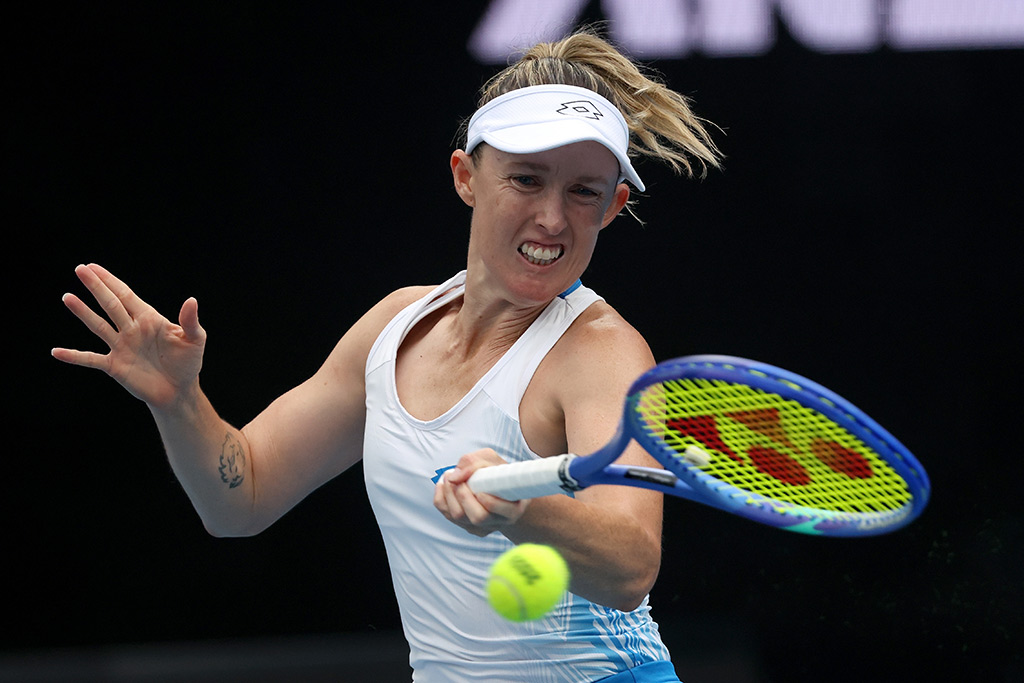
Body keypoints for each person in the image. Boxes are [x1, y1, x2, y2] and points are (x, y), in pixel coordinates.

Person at [53, 28, 721, 683]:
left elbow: (631, 569)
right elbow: (241, 499)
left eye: (583, 191)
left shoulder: (602, 351)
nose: (552, 217)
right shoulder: (393, 326)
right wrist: (180, 403)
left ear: (612, 206)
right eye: (526, 179)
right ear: (466, 177)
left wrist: (522, 506)